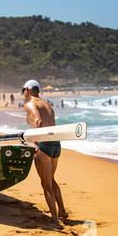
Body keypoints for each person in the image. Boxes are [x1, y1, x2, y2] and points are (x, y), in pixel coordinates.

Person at [22, 80, 67, 227]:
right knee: (52, 180)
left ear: (28, 90)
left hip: (44, 145)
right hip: (55, 144)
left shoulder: (30, 104)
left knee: (46, 184)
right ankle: (62, 211)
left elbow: (38, 121)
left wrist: (33, 143)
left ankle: (55, 220)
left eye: (23, 90)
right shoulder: (47, 104)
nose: (23, 94)